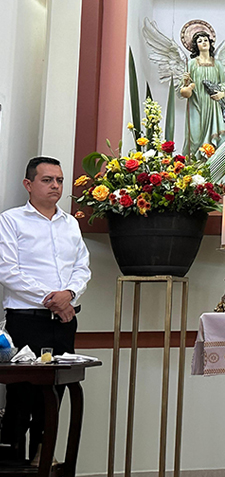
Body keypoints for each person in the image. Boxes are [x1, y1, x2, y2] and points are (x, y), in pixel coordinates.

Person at [0, 157, 91, 462]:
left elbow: (82, 267)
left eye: (60, 180)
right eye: (47, 180)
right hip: (27, 321)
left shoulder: (70, 224)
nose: (55, 186)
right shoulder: (11, 221)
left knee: (55, 394)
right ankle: (12, 462)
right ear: (28, 184)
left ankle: (43, 458)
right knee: (21, 396)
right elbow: (8, 271)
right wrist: (53, 299)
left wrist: (70, 294)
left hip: (64, 322)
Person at [180, 31, 225, 155]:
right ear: (196, 46)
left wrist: (222, 94)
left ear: (210, 42)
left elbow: (224, 84)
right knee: (194, 138)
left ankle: (208, 169)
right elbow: (185, 87)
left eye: (205, 40)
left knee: (213, 142)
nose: (203, 43)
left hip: (212, 105)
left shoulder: (217, 64)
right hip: (196, 103)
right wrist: (185, 82)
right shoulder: (191, 64)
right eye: (200, 41)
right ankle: (191, 168)